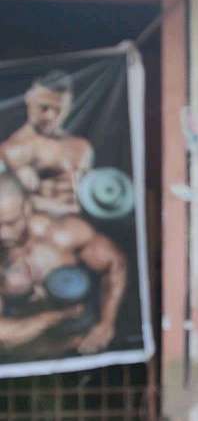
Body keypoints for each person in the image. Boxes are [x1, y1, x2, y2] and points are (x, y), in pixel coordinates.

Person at [0, 172, 126, 357]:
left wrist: (106, 323)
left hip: (82, 331)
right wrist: (54, 317)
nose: (3, 234)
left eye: (11, 223)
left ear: (26, 209)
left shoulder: (59, 235)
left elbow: (114, 262)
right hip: (32, 347)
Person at [0, 70, 93, 217]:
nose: (50, 116)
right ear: (29, 99)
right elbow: (8, 204)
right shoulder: (9, 151)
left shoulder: (82, 147)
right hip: (41, 227)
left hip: (78, 224)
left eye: (59, 110)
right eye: (44, 107)